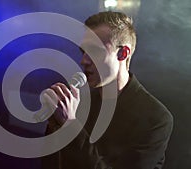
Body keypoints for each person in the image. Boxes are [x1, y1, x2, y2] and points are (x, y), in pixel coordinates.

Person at [42, 11, 173, 169]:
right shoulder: (79, 103)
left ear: (123, 53)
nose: (83, 61)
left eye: (94, 51)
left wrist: (70, 125)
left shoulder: (155, 118)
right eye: (83, 52)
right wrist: (55, 127)